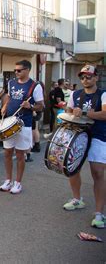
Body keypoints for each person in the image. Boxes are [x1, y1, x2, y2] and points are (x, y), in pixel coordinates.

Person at [63, 65, 105, 228]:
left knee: (98, 173)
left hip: (98, 136)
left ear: (96, 78)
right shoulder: (75, 94)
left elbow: (105, 114)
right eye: (82, 77)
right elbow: (69, 111)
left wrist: (85, 113)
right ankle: (77, 199)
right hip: (78, 136)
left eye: (88, 77)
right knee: (73, 168)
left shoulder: (103, 94)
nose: (85, 80)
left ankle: (99, 213)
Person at [0, 60, 44, 194]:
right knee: (7, 152)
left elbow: (41, 105)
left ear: (27, 70)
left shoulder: (34, 86)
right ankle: (8, 180)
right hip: (9, 122)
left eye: (19, 70)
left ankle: (18, 183)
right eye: (15, 70)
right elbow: (9, 96)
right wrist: (5, 106)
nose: (16, 72)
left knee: (20, 155)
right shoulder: (11, 83)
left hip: (24, 124)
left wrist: (30, 106)